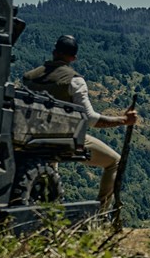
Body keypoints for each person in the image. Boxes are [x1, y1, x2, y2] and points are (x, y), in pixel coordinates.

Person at [23, 35, 138, 211]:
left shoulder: (29, 77)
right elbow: (90, 119)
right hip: (64, 139)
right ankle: (100, 214)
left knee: (49, 177)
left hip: (31, 139)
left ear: (54, 52)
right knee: (114, 161)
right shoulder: (75, 80)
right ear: (73, 58)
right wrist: (124, 120)